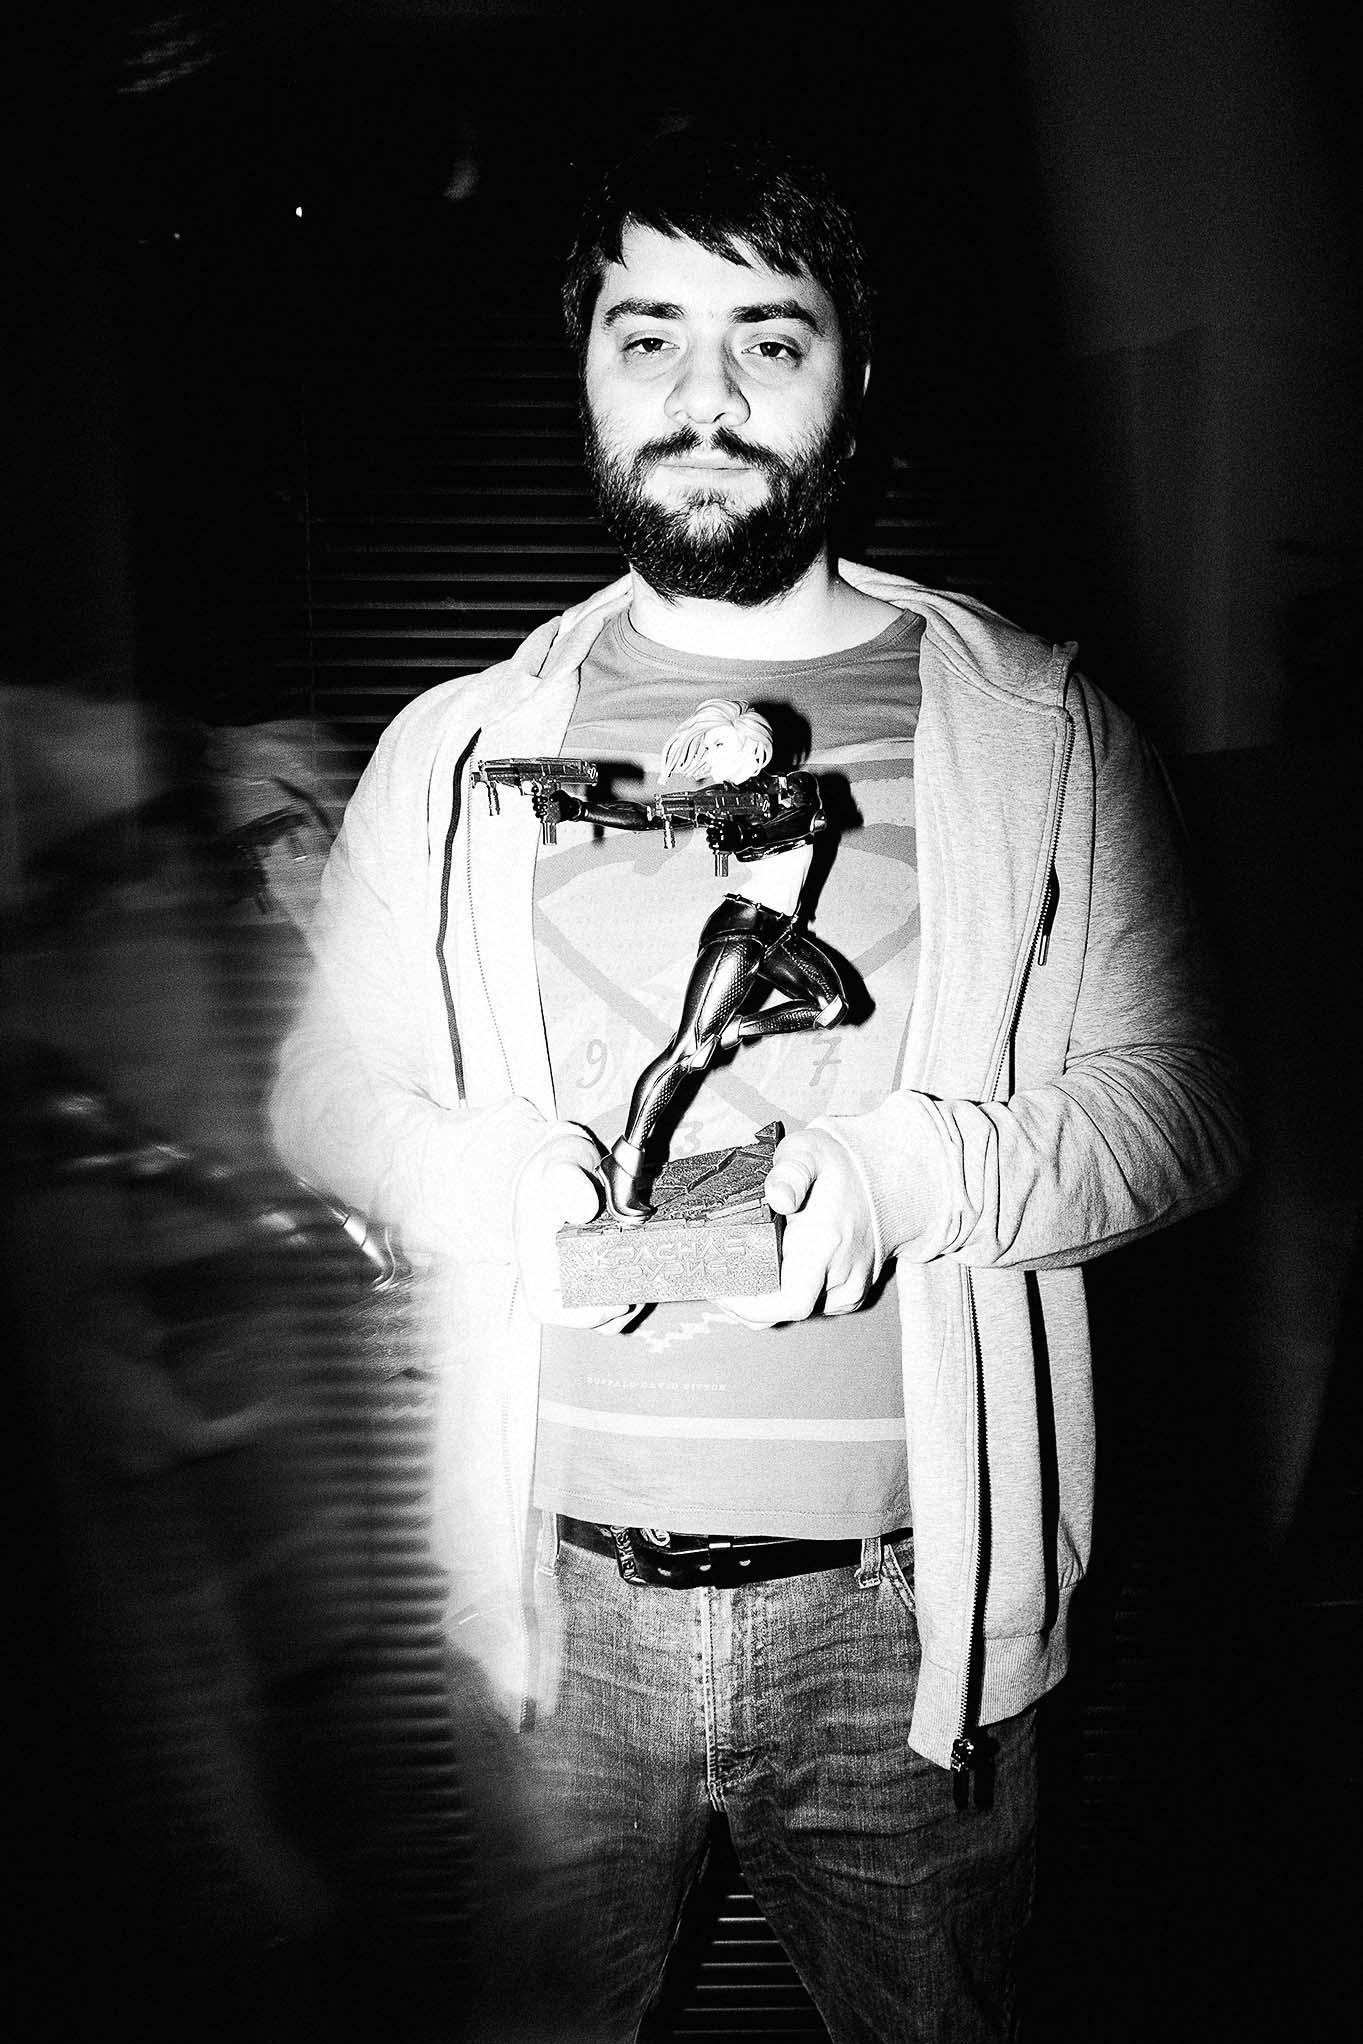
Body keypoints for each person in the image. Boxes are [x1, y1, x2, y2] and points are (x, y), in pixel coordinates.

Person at [270, 128, 1246, 2042]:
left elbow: (1183, 1105)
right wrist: (477, 1176)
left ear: (854, 384)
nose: (702, 395)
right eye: (648, 336)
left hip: (911, 1631)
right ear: (584, 371)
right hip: (550, 1620)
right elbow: (324, 1093)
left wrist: (908, 1179)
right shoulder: (452, 749)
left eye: (769, 340)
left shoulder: (1042, 735)